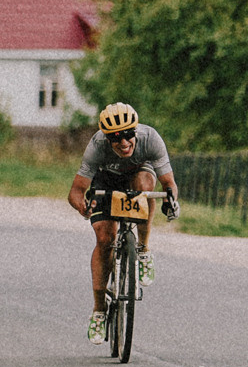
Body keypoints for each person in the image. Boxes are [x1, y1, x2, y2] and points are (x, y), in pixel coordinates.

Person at [69, 103, 180, 342]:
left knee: (144, 185)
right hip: (106, 180)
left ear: (136, 131)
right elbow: (76, 191)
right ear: (107, 138)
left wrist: (170, 201)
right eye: (116, 137)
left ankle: (143, 248)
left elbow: (168, 184)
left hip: (139, 174)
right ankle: (99, 310)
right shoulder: (97, 145)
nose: (123, 142)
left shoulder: (150, 139)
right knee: (105, 239)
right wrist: (83, 206)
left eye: (128, 134)